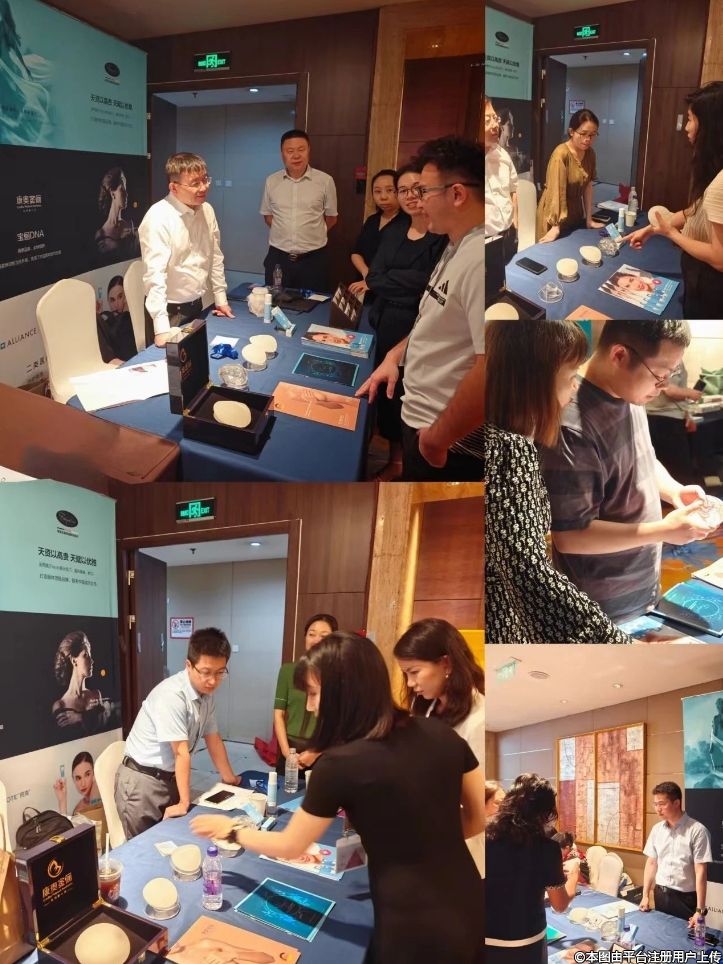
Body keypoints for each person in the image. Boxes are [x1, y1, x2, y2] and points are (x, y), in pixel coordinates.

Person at [191, 632, 485, 964]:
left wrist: (231, 830)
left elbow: (290, 846)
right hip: (470, 904)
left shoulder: (340, 764)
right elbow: (476, 819)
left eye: (314, 694)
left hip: (411, 926)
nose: (311, 706)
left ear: (345, 692)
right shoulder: (443, 734)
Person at [540, 320, 716, 625]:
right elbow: (570, 536)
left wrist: (674, 491)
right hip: (600, 608)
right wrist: (663, 530)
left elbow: (642, 458)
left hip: (643, 588)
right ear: (619, 355)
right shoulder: (572, 426)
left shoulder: (629, 393)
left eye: (670, 375)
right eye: (659, 375)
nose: (663, 386)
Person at [485, 320, 632, 643]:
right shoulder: (510, 451)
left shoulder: (498, 438)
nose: (575, 387)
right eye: (569, 377)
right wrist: (615, 641)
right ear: (534, 383)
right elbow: (530, 573)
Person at [356, 136, 484, 481]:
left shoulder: (481, 259)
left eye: (424, 191)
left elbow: (491, 366)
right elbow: (433, 320)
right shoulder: (456, 245)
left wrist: (437, 439)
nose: (416, 200)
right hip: (421, 416)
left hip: (447, 436)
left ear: (457, 194)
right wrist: (395, 355)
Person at [362, 163, 447, 479]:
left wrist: (392, 278)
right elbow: (374, 277)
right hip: (384, 320)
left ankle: (407, 463)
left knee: (410, 396)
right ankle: (392, 457)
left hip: (418, 325)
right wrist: (406, 280)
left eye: (417, 189)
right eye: (403, 190)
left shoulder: (442, 236)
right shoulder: (394, 230)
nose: (410, 196)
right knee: (387, 394)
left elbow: (430, 286)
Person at [114, 627, 241, 839]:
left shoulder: (206, 696)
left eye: (220, 673)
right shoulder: (172, 695)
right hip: (142, 783)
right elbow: (181, 752)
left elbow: (214, 739)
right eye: (206, 672)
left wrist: (230, 778)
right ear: (188, 665)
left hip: (170, 778)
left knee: (172, 842)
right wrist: (184, 802)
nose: (213, 680)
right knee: (145, 849)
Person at [394, 617, 485, 876]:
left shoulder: (478, 720)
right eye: (406, 674)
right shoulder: (424, 707)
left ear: (446, 664)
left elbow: (477, 810)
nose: (410, 683)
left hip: (457, 851)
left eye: (414, 672)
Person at [627, 82, 723, 318]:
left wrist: (671, 234)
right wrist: (651, 230)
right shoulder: (716, 173)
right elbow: (695, 211)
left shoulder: (720, 184)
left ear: (709, 125)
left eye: (690, 119)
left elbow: (719, 258)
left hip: (710, 287)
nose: (686, 127)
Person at [139, 152, 234, 348]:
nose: (204, 187)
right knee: (170, 365)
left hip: (197, 305)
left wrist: (220, 298)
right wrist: (161, 328)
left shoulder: (207, 210)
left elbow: (215, 256)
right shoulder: (158, 217)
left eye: (205, 179)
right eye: (195, 183)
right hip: (169, 312)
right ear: (174, 187)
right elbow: (154, 276)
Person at [486, 773, 578, 962]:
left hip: (487, 939)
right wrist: (574, 875)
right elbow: (560, 905)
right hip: (528, 941)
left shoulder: (486, 839)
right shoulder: (547, 848)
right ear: (545, 813)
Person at [260, 129, 338, 292]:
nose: (296, 155)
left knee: (313, 303)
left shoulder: (325, 181)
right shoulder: (271, 181)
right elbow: (268, 216)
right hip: (278, 258)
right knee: (275, 302)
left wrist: (311, 233)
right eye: (290, 151)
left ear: (309, 150)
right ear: (282, 154)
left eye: (301, 149)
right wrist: (287, 232)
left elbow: (331, 218)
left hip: (313, 260)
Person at [273, 613, 337, 775]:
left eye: (324, 636)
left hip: (323, 750)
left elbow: (339, 724)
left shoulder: (338, 675)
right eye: (311, 634)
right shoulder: (288, 671)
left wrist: (314, 753)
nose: (316, 640)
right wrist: (287, 753)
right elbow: (278, 714)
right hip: (290, 747)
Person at [640, 781, 712, 925]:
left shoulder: (697, 831)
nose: (658, 809)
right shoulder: (657, 830)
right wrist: (645, 895)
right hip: (660, 894)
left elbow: (701, 872)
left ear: (676, 803)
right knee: (660, 932)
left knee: (684, 936)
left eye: (662, 804)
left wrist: (700, 910)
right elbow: (652, 863)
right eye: (655, 804)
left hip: (685, 898)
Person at [536, 109, 606, 243]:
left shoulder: (590, 154)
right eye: (583, 134)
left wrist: (589, 219)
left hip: (575, 211)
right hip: (553, 213)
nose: (587, 139)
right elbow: (556, 192)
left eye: (592, 135)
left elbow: (588, 186)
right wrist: (556, 226)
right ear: (571, 132)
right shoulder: (561, 154)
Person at [646, 351, 703, 485]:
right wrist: (690, 393)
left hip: (665, 418)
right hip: (665, 421)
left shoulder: (663, 355)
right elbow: (669, 390)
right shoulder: (668, 355)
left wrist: (687, 415)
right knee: (680, 473)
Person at [485, 97, 518, 306]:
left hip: (506, 235)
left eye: (495, 118)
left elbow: (514, 188)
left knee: (503, 292)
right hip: (482, 241)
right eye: (487, 120)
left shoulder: (503, 154)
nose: (495, 125)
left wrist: (516, 221)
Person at [348, 169, 400, 295]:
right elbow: (356, 252)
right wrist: (367, 273)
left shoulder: (408, 223)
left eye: (390, 190)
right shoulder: (372, 220)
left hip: (390, 289)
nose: (383, 197)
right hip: (363, 285)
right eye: (377, 191)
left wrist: (375, 280)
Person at [52, 631, 112, 731]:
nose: (92, 661)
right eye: (86, 655)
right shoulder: (60, 705)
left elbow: (104, 726)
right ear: (74, 661)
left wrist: (79, 717)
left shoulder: (96, 695)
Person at [95, 167, 139, 261]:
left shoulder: (130, 226)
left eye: (126, 189)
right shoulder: (101, 235)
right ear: (112, 194)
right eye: (122, 189)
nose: (127, 194)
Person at [96, 275, 136, 364]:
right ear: (108, 301)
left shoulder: (128, 317)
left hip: (128, 356)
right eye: (112, 300)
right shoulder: (105, 316)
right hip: (111, 357)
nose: (116, 304)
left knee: (126, 317)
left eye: (120, 297)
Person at [53, 751, 102, 816]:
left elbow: (95, 807)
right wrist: (62, 801)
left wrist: (95, 783)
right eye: (78, 778)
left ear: (94, 773)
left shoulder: (101, 793)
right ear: (73, 779)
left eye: (87, 774)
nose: (83, 784)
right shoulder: (78, 809)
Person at [711, 697, 723, 771]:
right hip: (717, 744)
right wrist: (712, 746)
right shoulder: (716, 718)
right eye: (717, 706)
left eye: (719, 705)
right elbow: (714, 733)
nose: (718, 707)